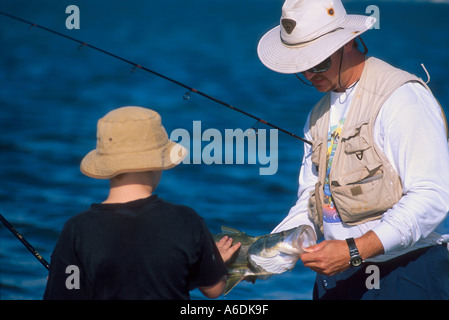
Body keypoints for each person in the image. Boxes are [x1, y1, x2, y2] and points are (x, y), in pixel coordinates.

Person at [257, 0, 449, 299]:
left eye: (317, 63)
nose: (310, 75)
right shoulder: (316, 116)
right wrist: (260, 257)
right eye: (301, 67)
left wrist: (352, 251)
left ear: (347, 43)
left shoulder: (402, 98)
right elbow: (311, 202)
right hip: (337, 276)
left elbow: (432, 197)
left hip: (407, 273)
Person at [43, 106, 240, 300]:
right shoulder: (186, 220)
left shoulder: (77, 229)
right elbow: (213, 291)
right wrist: (217, 263)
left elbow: (64, 291)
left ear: (106, 164)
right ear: (157, 163)